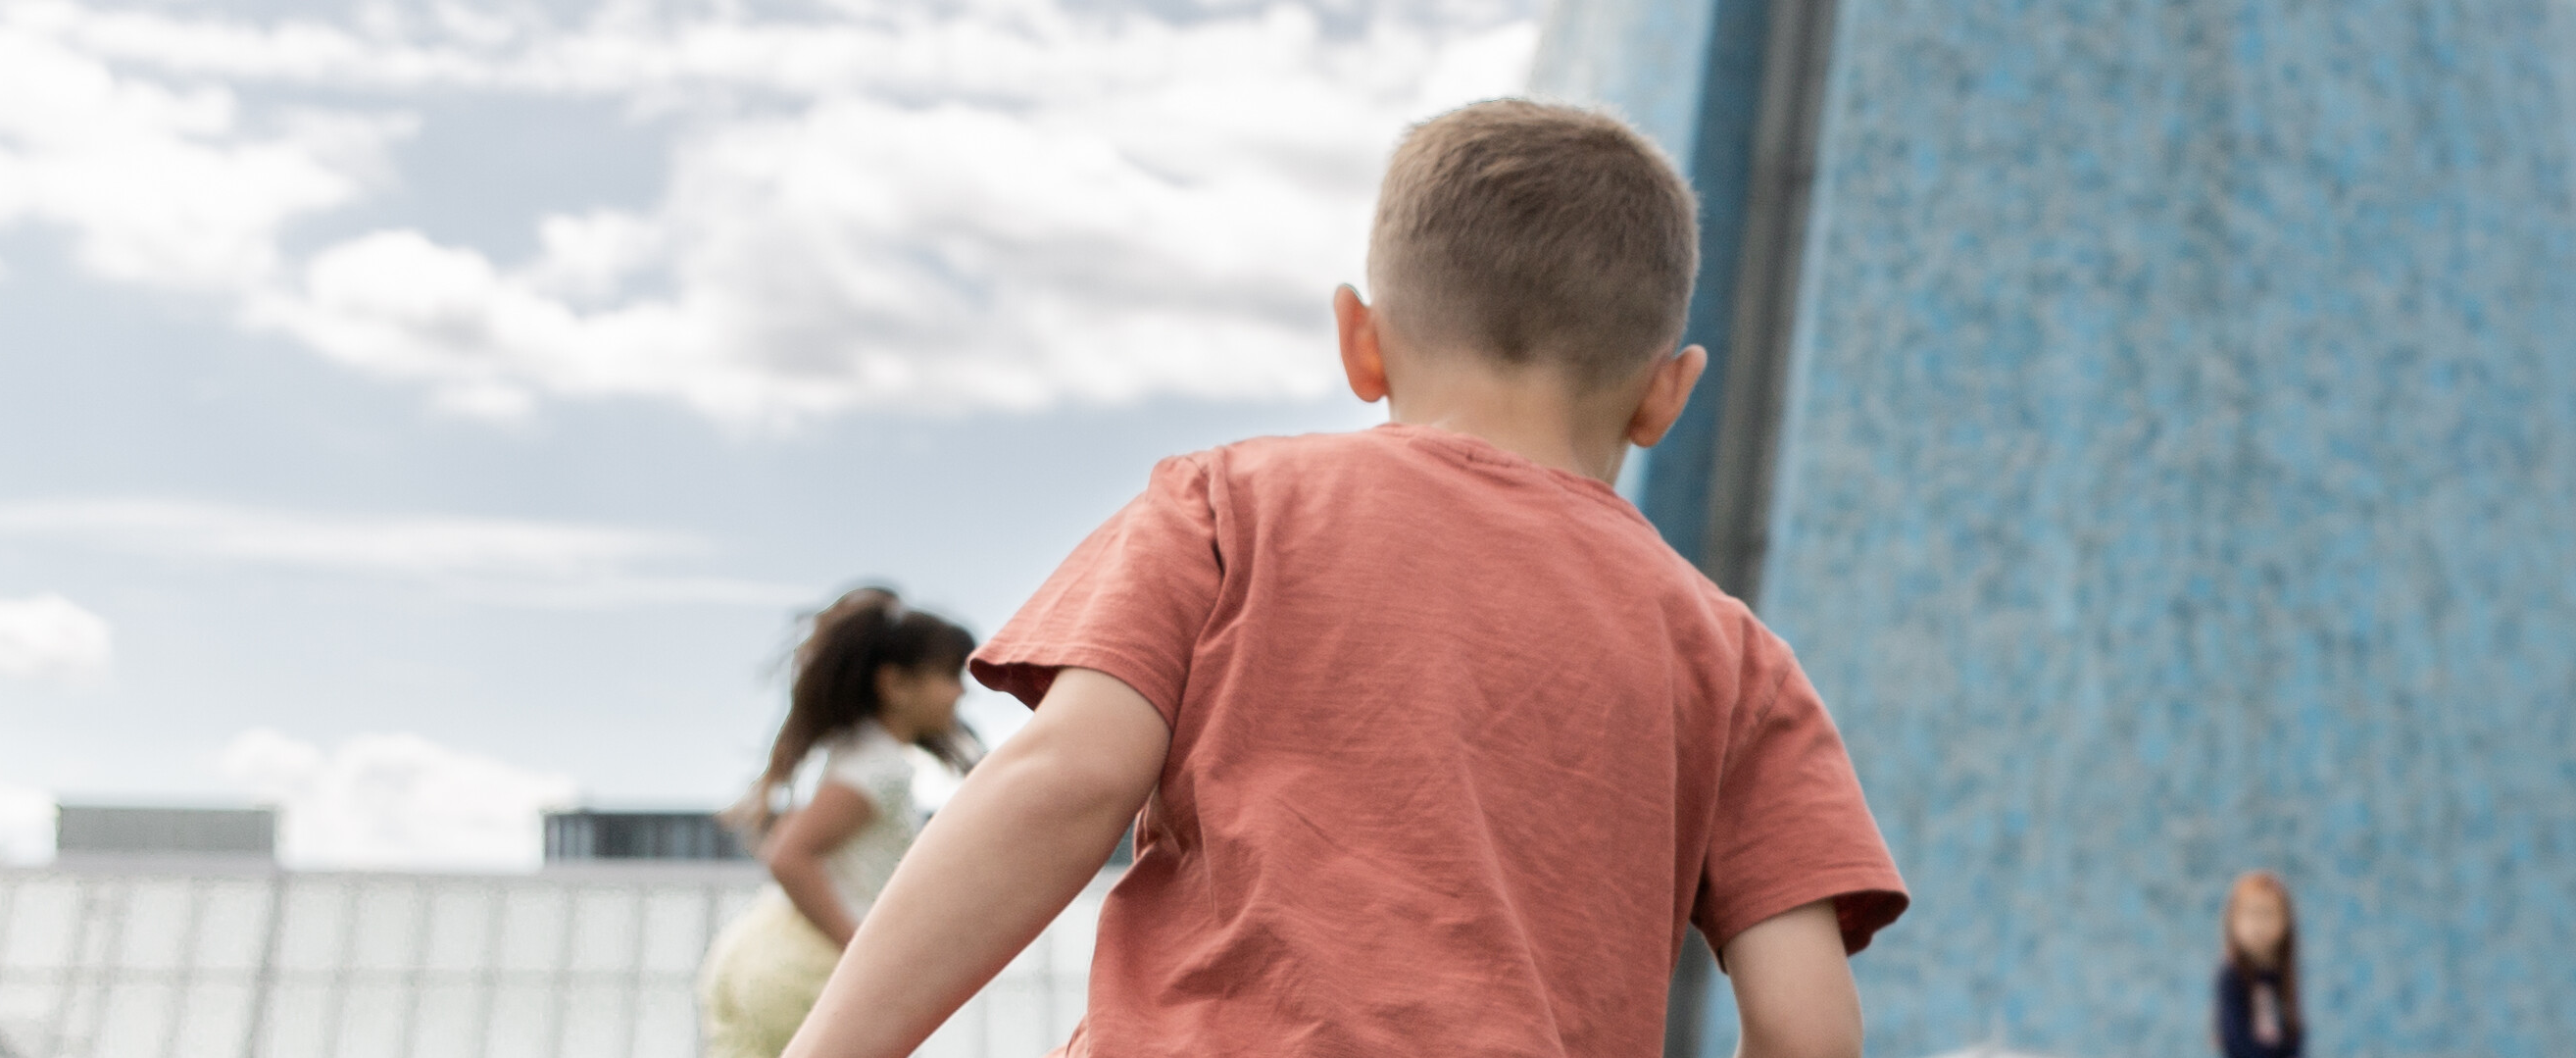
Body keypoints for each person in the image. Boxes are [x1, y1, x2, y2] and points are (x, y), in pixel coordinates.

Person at [775, 99, 1907, 1058]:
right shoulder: (1737, 657)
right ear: (1668, 393)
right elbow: (1806, 1023)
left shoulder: (1229, 509)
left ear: (1360, 340)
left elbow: (1064, 780)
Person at [694, 587, 981, 1058]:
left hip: (762, 958)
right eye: (950, 675)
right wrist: (862, 956)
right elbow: (789, 855)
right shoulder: (881, 767)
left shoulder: (859, 751)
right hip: (803, 972)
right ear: (895, 685)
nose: (962, 690)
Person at [2216, 871, 2304, 1058]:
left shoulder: (2282, 974)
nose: (2259, 924)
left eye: (2267, 913)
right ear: (2232, 920)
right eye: (2251, 913)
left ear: (2285, 920)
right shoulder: (2231, 975)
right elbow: (2236, 1037)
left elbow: (2293, 1031)